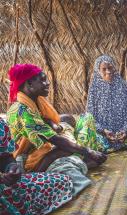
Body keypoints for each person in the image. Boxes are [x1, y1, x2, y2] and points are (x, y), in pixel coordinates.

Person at [6, 63, 107, 195]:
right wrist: (88, 151)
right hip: (28, 159)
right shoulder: (21, 110)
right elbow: (54, 139)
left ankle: (81, 154)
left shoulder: (34, 101)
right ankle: (82, 159)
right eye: (42, 80)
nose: (47, 83)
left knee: (67, 119)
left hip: (41, 145)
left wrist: (52, 125)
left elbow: (43, 119)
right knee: (69, 145)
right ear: (29, 84)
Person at [0, 117, 73, 215]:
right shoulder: (24, 113)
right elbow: (55, 138)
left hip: (4, 190)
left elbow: (5, 157)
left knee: (62, 181)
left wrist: (12, 168)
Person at [86, 54, 127, 152]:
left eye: (110, 68)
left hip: (122, 134)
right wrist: (104, 131)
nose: (108, 71)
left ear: (114, 68)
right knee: (94, 142)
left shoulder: (122, 86)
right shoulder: (94, 89)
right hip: (103, 135)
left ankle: (116, 144)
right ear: (98, 71)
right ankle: (108, 145)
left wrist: (125, 131)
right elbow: (90, 115)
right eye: (104, 69)